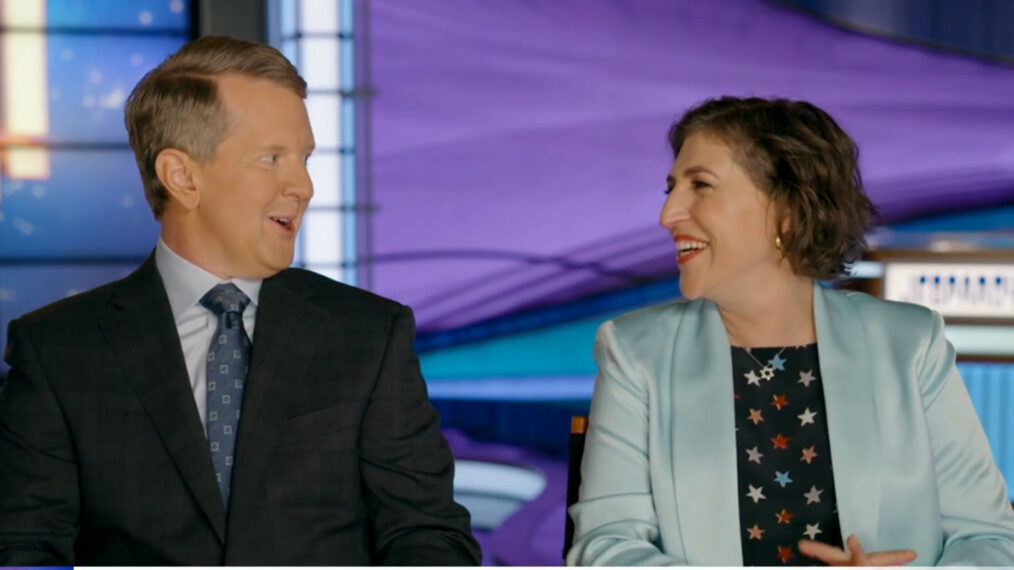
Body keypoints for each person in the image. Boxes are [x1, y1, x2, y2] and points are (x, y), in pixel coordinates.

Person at [0, 36, 480, 566]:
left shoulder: (370, 334)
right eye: (271, 158)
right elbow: (25, 545)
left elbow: (428, 534)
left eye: (303, 158)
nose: (302, 185)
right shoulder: (57, 349)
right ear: (183, 177)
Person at [566, 96, 1014, 566]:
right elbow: (606, 549)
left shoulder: (910, 344)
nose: (668, 214)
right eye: (671, 188)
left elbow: (990, 541)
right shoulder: (634, 352)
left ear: (787, 209)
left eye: (700, 185)